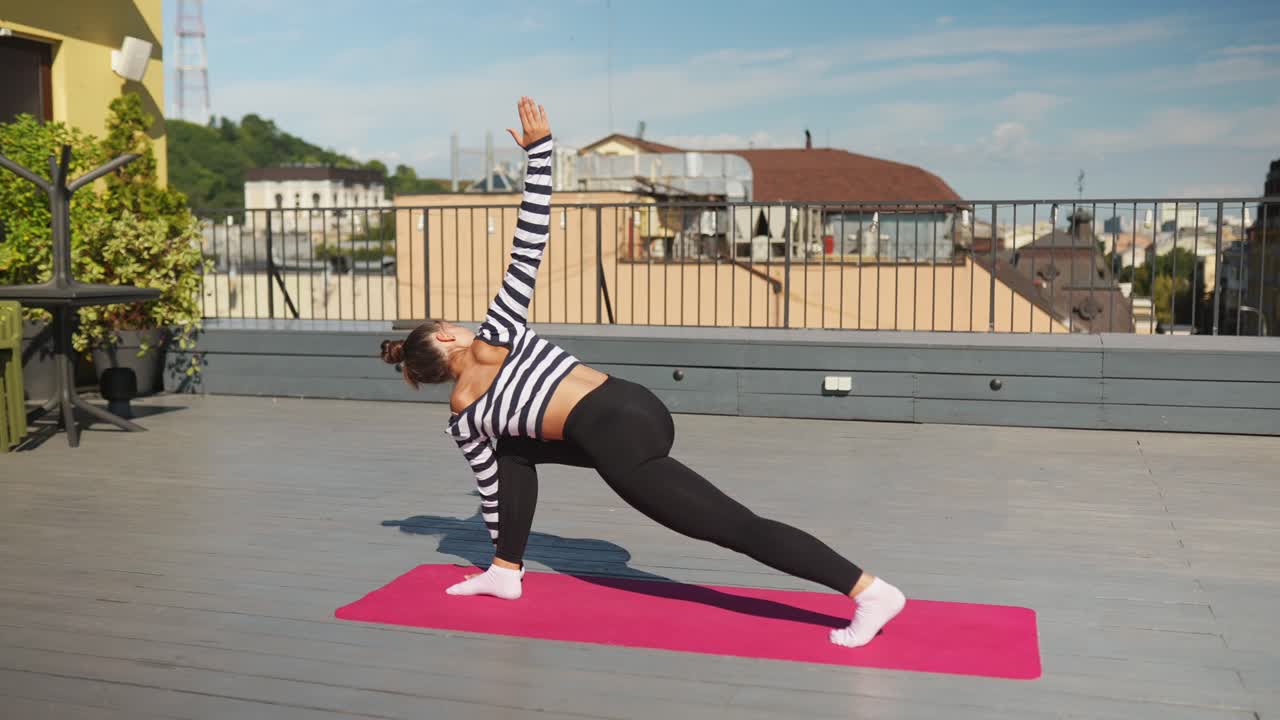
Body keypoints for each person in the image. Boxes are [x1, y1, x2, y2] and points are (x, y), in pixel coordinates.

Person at [380, 97, 905, 648]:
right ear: (445, 337)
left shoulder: (464, 413)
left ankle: (868, 591)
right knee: (515, 447)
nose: (460, 324)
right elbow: (528, 242)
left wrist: (493, 531)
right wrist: (540, 154)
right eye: (452, 323)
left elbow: (490, 493)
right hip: (635, 403)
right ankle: (505, 572)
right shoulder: (499, 333)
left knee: (734, 527)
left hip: (616, 439)